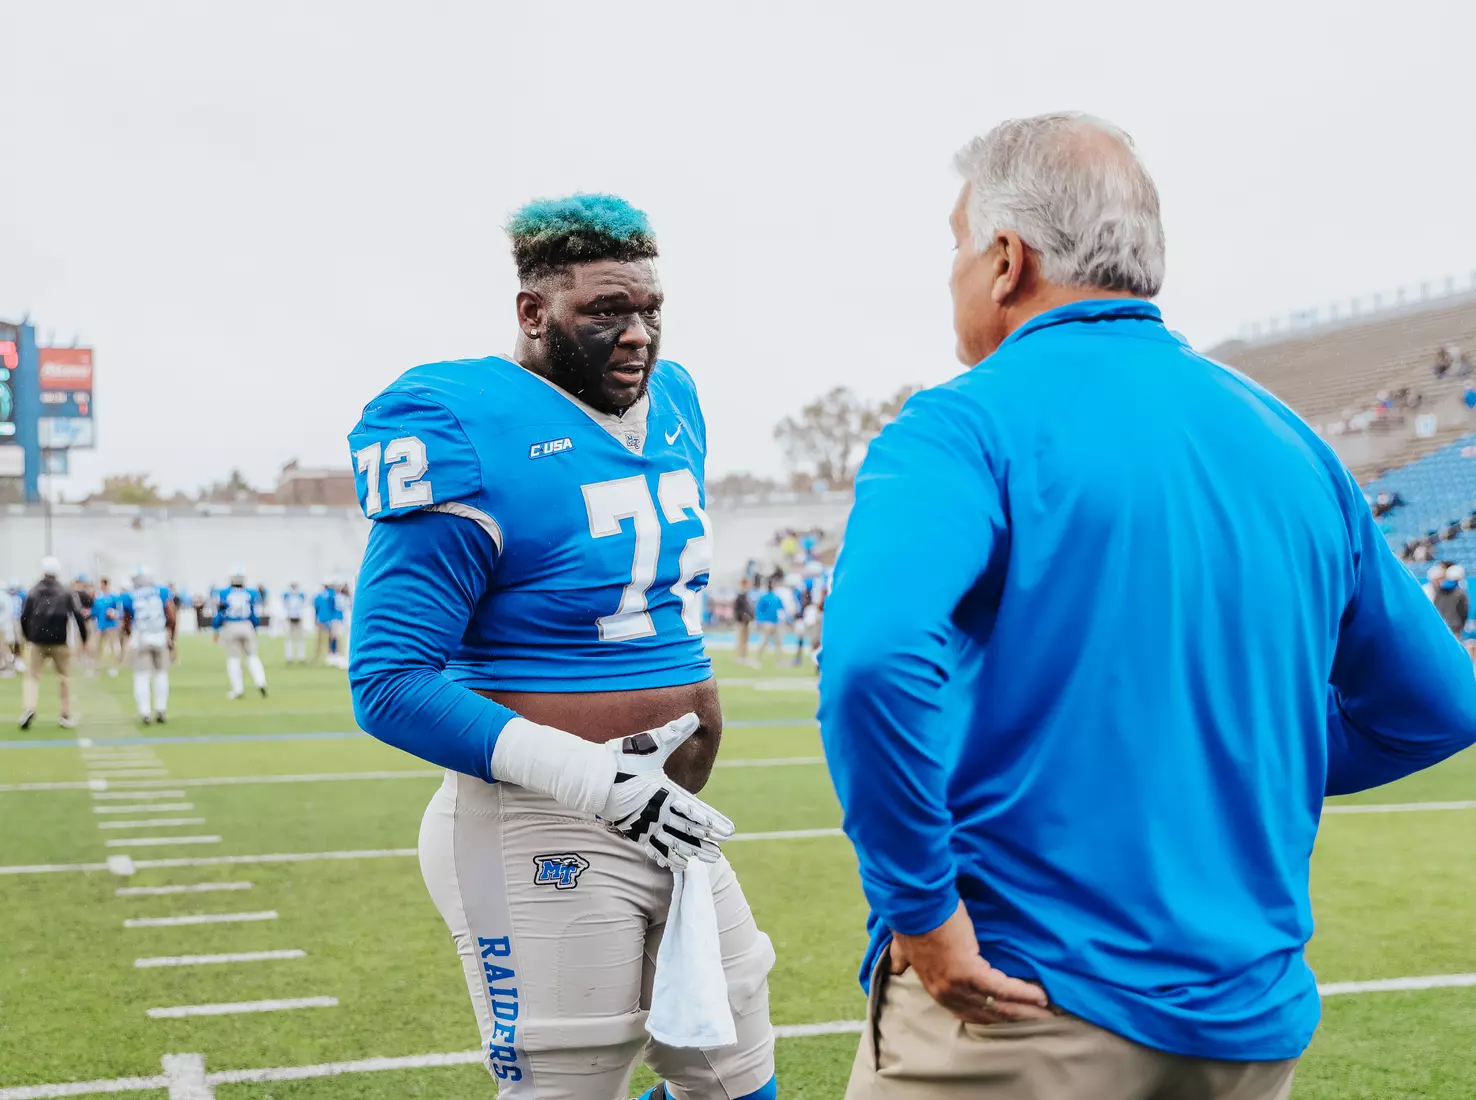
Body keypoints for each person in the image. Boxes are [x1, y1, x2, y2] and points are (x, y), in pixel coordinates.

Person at [817, 112, 1476, 1100]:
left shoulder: (964, 420)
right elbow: (1441, 701)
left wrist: (920, 910)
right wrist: (1236, 751)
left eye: (956, 243)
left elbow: (871, 658)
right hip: (1245, 1028)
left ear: (1006, 258)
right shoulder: (1291, 443)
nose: (952, 271)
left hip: (1024, 1003)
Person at [347, 194, 775, 1100]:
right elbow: (387, 683)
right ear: (533, 313)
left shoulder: (677, 400)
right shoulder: (461, 421)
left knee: (737, 1078)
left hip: (672, 822)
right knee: (570, 1087)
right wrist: (593, 778)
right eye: (606, 312)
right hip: (538, 823)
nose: (637, 336)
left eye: (650, 310)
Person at [19, 557, 86, 730]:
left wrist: (28, 636)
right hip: (59, 640)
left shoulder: (33, 590)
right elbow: (77, 614)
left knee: (32, 677)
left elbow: (24, 616)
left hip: (37, 639)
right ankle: (64, 714)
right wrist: (84, 638)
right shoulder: (65, 590)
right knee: (63, 677)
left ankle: (29, 708)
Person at [119, 566, 175, 724]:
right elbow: (171, 615)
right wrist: (170, 635)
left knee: (141, 676)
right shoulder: (162, 592)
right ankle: (161, 709)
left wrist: (131, 635)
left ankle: (145, 712)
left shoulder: (129, 596)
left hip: (141, 637)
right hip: (159, 635)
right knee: (161, 674)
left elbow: (126, 621)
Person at [213, 569, 268, 699]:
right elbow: (255, 614)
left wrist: (216, 628)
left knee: (233, 659)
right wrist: (255, 627)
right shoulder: (251, 593)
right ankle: (261, 681)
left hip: (231, 626)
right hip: (247, 625)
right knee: (252, 656)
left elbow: (220, 614)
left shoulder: (224, 593)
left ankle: (238, 689)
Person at [93, 576, 122, 677]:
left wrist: (114, 613)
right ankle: (98, 667)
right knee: (97, 647)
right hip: (100, 625)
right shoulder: (98, 599)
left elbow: (120, 611)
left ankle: (113, 667)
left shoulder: (113, 597)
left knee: (113, 646)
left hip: (111, 626)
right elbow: (95, 612)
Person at [751, 580, 784, 668]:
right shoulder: (774, 597)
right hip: (771, 622)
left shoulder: (766, 597)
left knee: (768, 641)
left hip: (769, 622)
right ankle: (776, 661)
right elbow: (781, 609)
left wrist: (758, 621)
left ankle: (758, 659)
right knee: (771, 642)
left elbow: (758, 610)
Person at [1433, 563, 1469, 638]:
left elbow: (1435, 606)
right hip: (1454, 628)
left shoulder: (1439, 590)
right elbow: (1464, 611)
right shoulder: (1461, 592)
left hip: (1440, 625)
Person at [313, 580, 344, 665]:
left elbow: (316, 607)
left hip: (322, 619)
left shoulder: (320, 595)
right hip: (330, 618)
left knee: (325, 639)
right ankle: (332, 654)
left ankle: (323, 656)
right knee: (332, 638)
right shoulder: (332, 594)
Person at [282, 581, 309, 664]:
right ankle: (289, 656)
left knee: (300, 638)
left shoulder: (301, 595)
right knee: (289, 638)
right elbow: (284, 606)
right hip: (290, 618)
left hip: (298, 618)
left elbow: (304, 606)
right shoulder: (286, 595)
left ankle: (301, 656)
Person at [732, 576, 755, 664]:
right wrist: (743, 617)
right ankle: (738, 657)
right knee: (739, 640)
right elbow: (738, 610)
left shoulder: (747, 596)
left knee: (745, 640)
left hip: (747, 622)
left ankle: (744, 657)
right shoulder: (740, 596)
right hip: (741, 621)